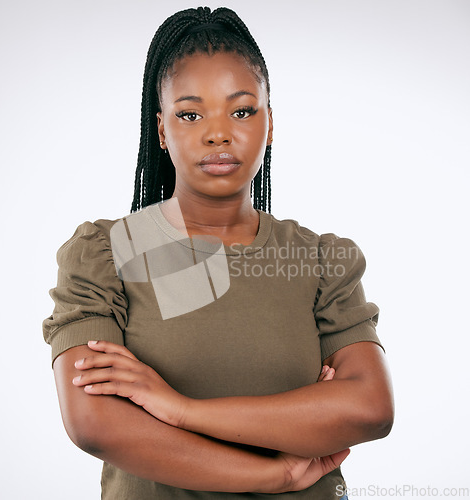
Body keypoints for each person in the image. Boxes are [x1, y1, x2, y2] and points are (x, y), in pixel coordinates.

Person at [43, 6, 394, 499]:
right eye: (190, 113)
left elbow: (369, 410)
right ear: (162, 130)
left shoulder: (320, 260)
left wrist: (178, 409)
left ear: (269, 123)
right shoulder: (105, 254)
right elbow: (95, 424)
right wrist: (276, 472)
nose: (218, 133)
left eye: (242, 110)